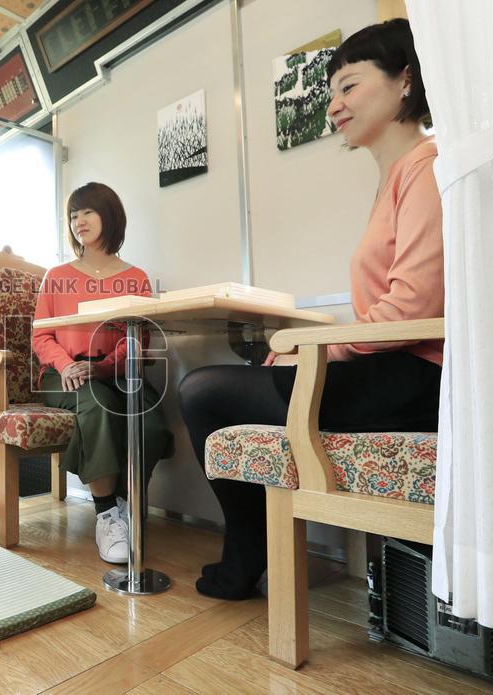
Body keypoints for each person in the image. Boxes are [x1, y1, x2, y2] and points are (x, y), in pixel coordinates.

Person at [179, 18, 443, 600]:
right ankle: (251, 544)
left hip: (416, 378)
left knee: (203, 391)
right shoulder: (397, 176)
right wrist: (310, 351)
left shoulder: (427, 166)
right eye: (331, 94)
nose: (335, 107)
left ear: (405, 81)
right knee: (219, 386)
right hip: (393, 372)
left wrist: (314, 349)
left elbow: (414, 306)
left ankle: (248, 548)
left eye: (349, 87)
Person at [33, 182, 174, 564]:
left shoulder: (136, 277)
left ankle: (129, 503)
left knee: (154, 424)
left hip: (116, 373)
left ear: (109, 215)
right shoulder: (57, 275)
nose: (79, 221)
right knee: (97, 408)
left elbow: (137, 337)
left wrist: (105, 366)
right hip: (63, 376)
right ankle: (107, 513)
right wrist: (66, 365)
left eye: (87, 212)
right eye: (73, 215)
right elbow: (42, 335)